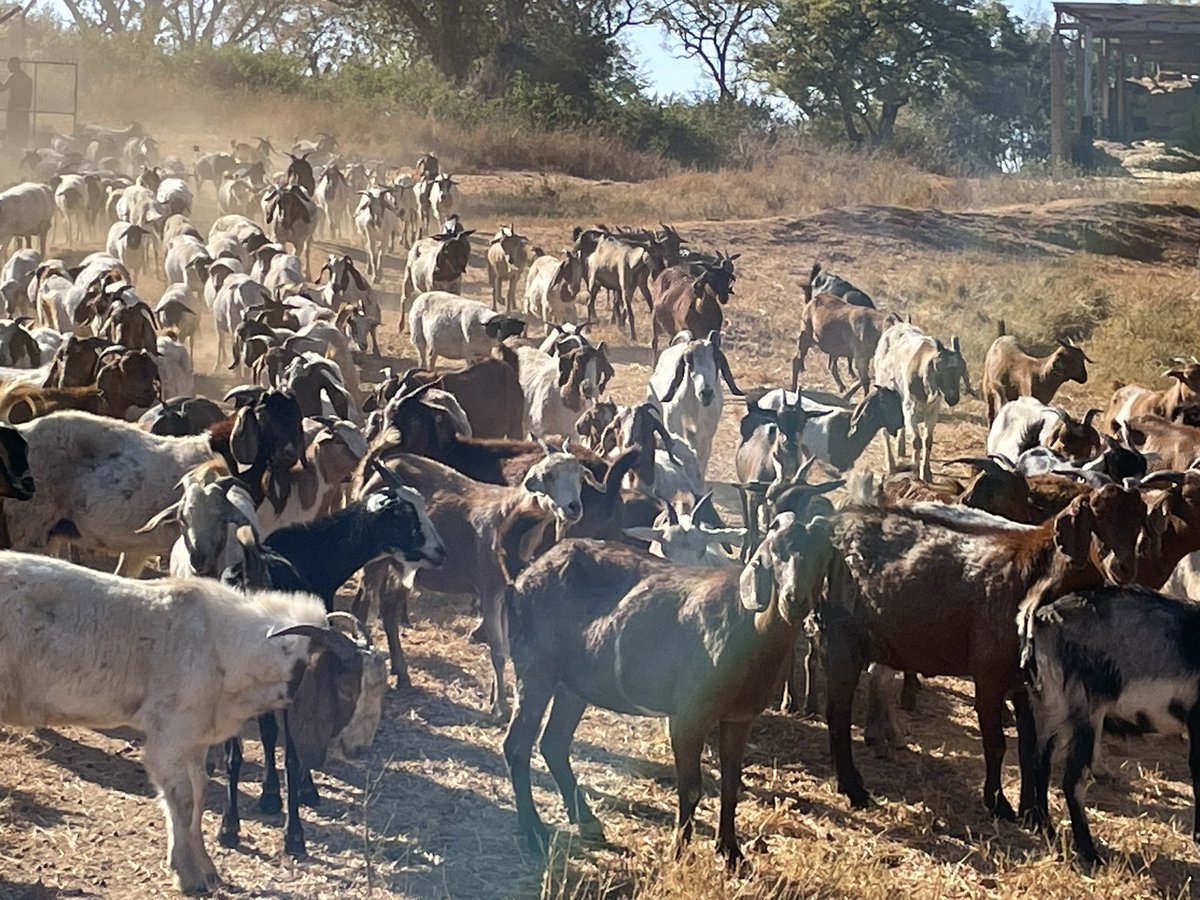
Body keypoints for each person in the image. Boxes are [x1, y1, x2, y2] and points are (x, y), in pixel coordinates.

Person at [0, 57, 32, 148]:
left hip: (14, 109)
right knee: (23, 131)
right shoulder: (28, 79)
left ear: (14, 65)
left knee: (12, 130)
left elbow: (2, 89)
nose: (8, 67)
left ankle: (13, 150)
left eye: (9, 65)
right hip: (24, 109)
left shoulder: (14, 77)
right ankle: (22, 149)